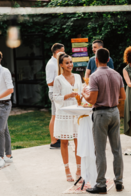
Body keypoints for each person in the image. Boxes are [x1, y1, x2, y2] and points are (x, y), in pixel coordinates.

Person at [82, 48, 126, 194]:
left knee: (100, 151)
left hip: (101, 114)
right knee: (117, 149)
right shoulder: (117, 74)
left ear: (96, 60)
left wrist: (84, 94)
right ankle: (119, 182)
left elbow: (92, 100)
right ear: (108, 59)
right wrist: (111, 97)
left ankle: (101, 184)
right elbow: (123, 96)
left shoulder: (94, 76)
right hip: (114, 112)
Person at [53, 53, 82, 182]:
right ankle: (67, 169)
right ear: (61, 65)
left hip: (76, 112)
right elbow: (55, 98)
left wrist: (82, 96)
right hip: (64, 113)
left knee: (78, 141)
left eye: (71, 62)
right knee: (64, 141)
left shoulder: (78, 77)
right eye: (67, 63)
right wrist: (68, 95)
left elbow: (80, 93)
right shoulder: (58, 79)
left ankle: (79, 169)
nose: (70, 64)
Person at [46, 43, 64, 149]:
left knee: (58, 116)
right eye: (63, 51)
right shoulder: (51, 64)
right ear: (57, 52)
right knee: (54, 116)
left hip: (59, 93)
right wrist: (62, 81)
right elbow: (49, 82)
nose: (65, 53)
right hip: (54, 93)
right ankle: (53, 141)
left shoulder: (57, 62)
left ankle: (58, 138)